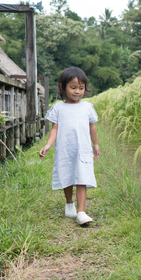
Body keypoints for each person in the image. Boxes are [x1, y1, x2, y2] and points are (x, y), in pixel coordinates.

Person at [39, 67, 100, 225]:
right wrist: (47, 145)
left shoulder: (87, 107)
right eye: (73, 87)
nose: (77, 91)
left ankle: (81, 211)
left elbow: (92, 126)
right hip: (65, 149)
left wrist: (96, 144)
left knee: (82, 177)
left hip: (83, 149)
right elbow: (55, 129)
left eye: (81, 88)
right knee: (67, 175)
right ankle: (69, 203)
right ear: (62, 87)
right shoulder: (59, 108)